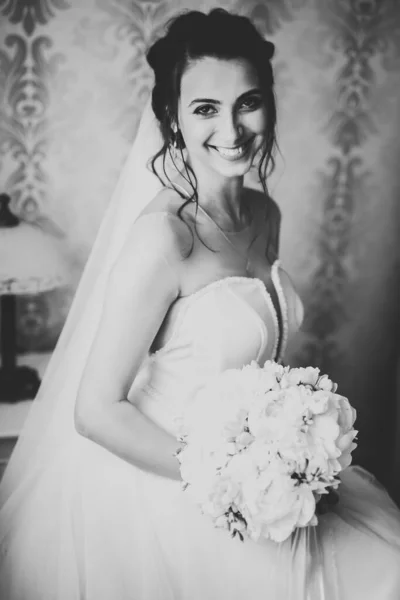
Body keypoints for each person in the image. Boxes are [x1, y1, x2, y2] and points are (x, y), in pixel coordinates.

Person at [0, 8, 400, 600]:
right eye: (206, 108)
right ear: (172, 118)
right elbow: (95, 410)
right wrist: (236, 479)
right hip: (179, 485)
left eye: (248, 102)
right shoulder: (165, 238)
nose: (232, 130)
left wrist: (290, 449)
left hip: (263, 469)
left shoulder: (266, 215)